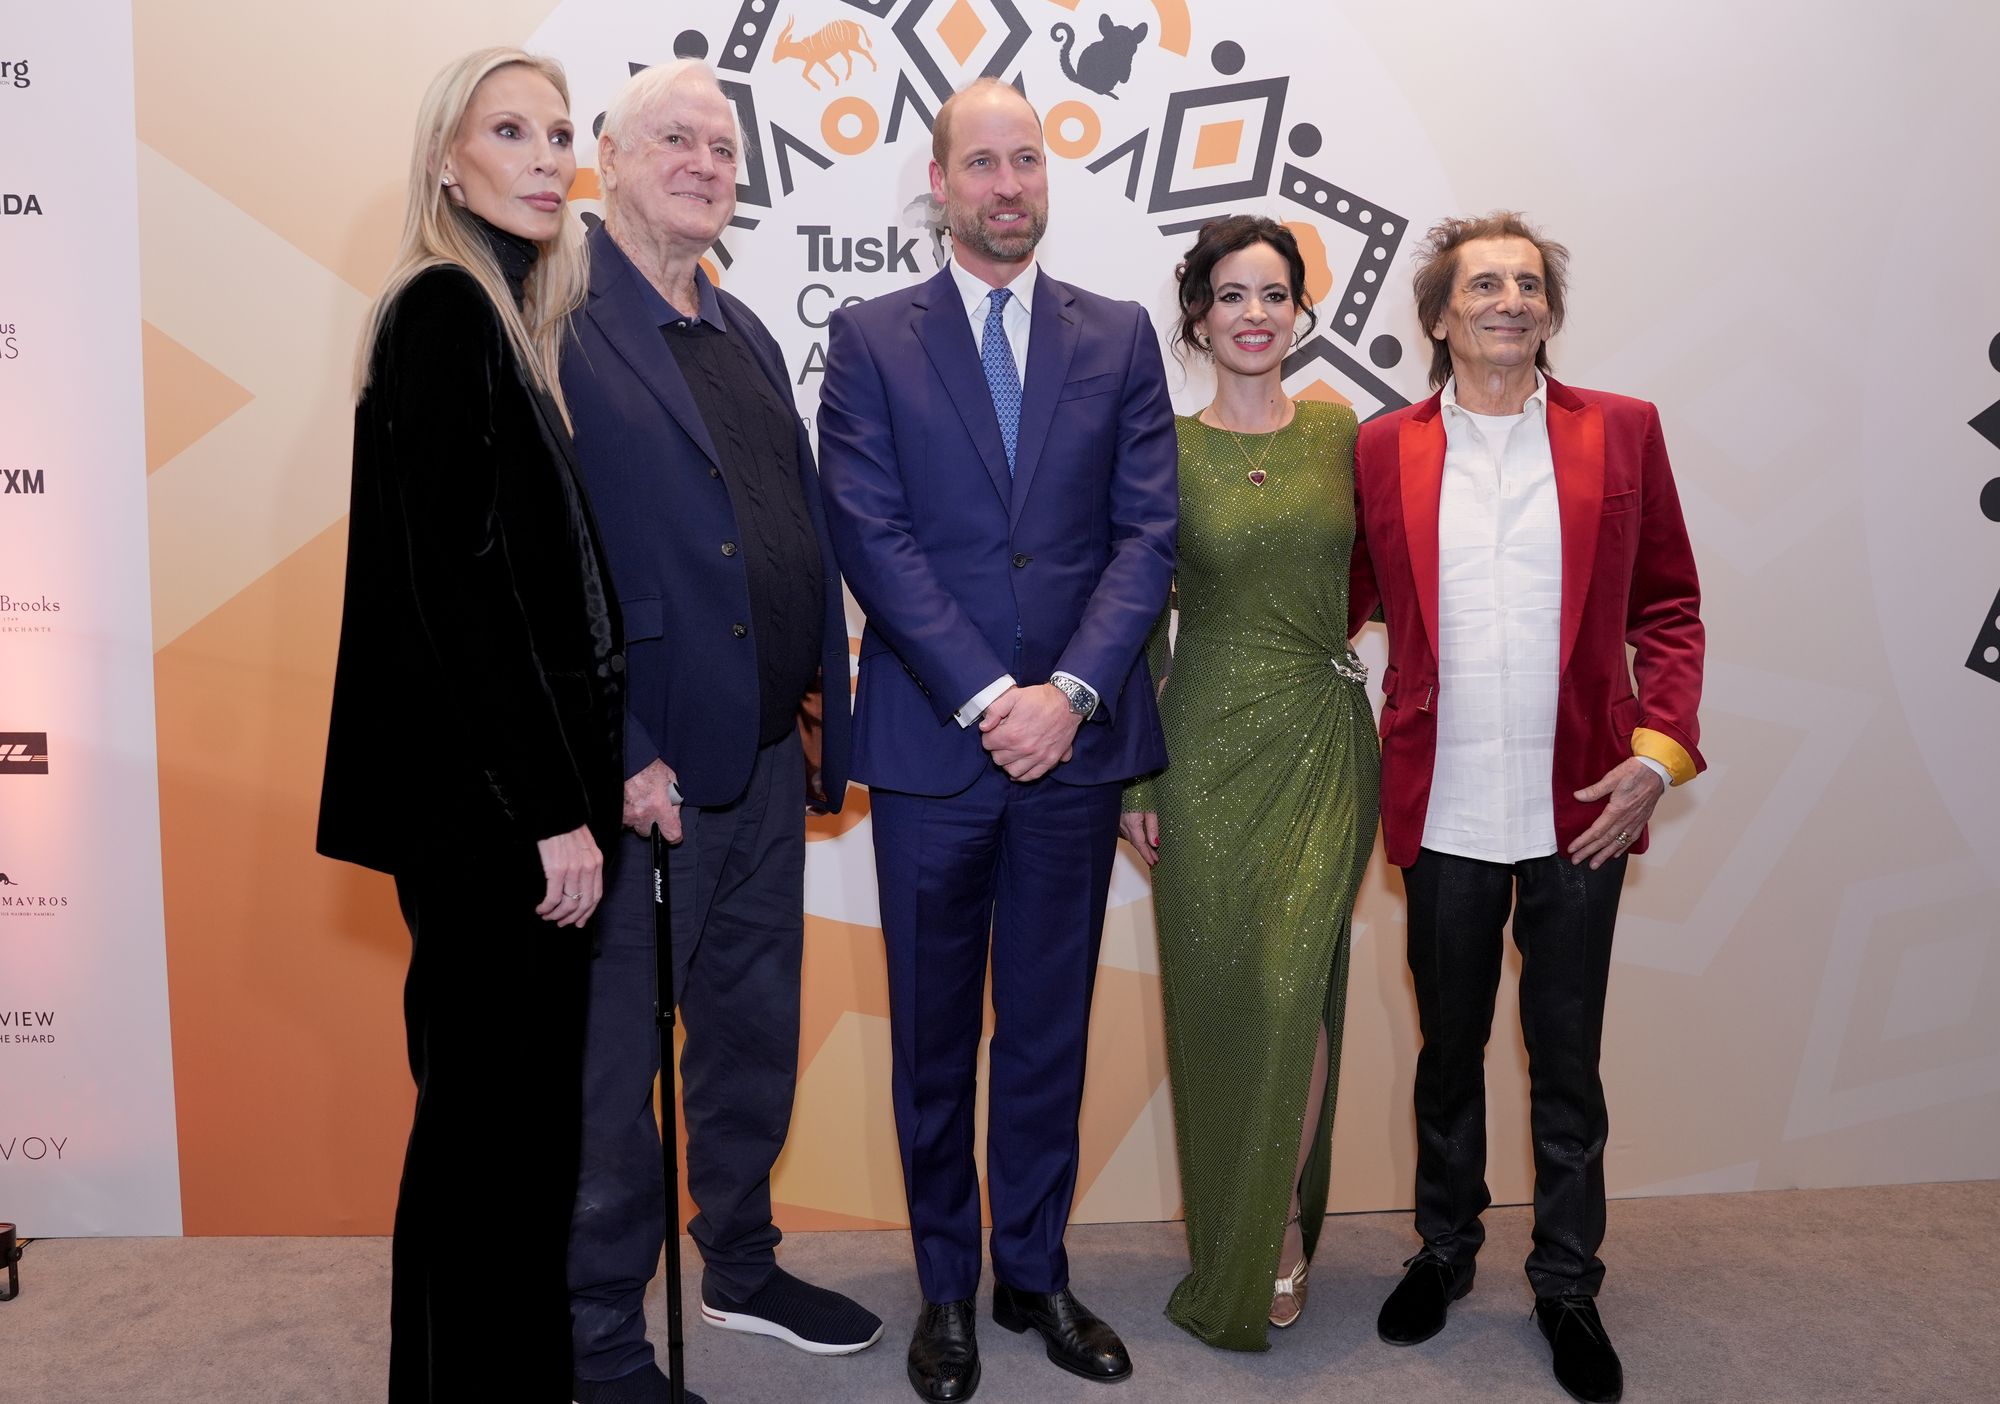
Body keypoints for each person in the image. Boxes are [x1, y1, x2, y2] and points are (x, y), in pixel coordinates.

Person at [817, 77, 1177, 1404]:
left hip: (1072, 756)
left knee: (1046, 1032)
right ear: (939, 178)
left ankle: (1035, 1275)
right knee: (929, 1041)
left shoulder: (1123, 335)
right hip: (933, 751)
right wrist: (992, 698)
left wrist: (1070, 694)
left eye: (1027, 161)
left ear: (1048, 176)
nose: (1008, 185)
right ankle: (951, 1291)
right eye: (984, 163)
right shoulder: (870, 339)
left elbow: (1148, 537)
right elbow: (872, 536)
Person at [559, 59, 879, 1404]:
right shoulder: (558, 317)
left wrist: (822, 723)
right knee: (608, 1072)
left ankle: (740, 1265)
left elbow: (783, 523)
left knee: (749, 1032)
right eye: (674, 138)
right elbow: (550, 556)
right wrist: (619, 738)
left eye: (724, 146)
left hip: (758, 761)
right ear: (610, 160)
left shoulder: (740, 324)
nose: (703, 160)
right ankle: (594, 1339)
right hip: (647, 778)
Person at [1350, 212, 1705, 1404]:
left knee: (1567, 1064)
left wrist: (1657, 754)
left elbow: (1668, 609)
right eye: (1480, 284)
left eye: (1525, 284)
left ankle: (1566, 1284)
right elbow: (1338, 608)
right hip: (1440, 801)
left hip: (1583, 806)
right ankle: (1442, 1253)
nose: (1506, 300)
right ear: (1440, 316)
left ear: (1546, 312)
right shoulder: (1374, 450)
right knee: (1445, 1056)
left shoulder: (1623, 432)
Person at [316, 47, 620, 1402]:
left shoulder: (499, 316)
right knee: (494, 1146)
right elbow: (458, 594)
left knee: (502, 1143)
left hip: (502, 807)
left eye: (561, 132)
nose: (551, 156)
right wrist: (552, 811)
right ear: (450, 161)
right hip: (496, 816)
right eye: (513, 131)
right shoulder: (444, 307)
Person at [1119, 215, 1379, 1350]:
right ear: (1196, 313)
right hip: (1199, 750)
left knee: (1287, 990)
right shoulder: (1158, 446)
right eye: (1231, 296)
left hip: (1322, 743)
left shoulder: (1340, 434)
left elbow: (1389, 570)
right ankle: (1238, 1220)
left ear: (1299, 312)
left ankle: (1267, 1232)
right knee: (1219, 995)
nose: (1255, 315)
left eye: (1274, 295)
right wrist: (1133, 771)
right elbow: (1132, 612)